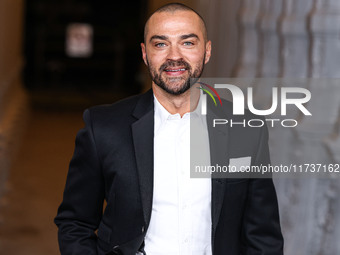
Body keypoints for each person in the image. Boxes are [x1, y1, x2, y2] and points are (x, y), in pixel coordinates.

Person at [55, 3, 284, 255]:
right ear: (144, 54)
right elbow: (75, 223)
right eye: (161, 44)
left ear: (206, 51)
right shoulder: (103, 128)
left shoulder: (246, 129)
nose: (174, 56)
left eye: (187, 43)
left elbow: (263, 236)